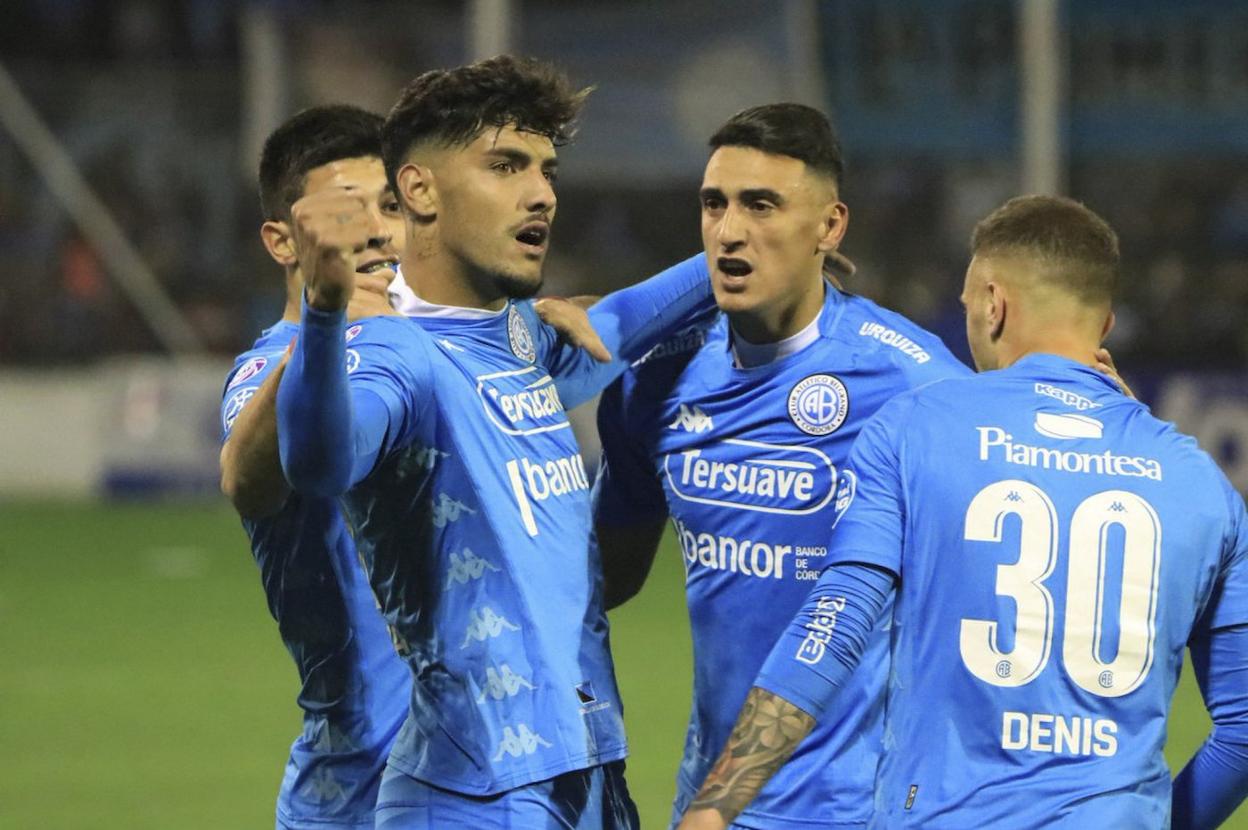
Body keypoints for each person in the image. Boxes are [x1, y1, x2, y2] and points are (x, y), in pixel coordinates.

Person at [678, 195, 1248, 830]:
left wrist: (714, 805)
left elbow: (832, 626)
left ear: (994, 304)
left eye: (969, 303)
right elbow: (1245, 733)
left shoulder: (919, 428)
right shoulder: (1201, 483)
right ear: (1105, 324)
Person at [274, 55, 714, 829]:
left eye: (545, 168)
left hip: (586, 771)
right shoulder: (392, 351)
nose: (541, 191)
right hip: (473, 791)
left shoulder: (520, 331)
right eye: (505, 165)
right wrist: (322, 312)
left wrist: (747, 255)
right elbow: (320, 461)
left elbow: (619, 325)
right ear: (418, 190)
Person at [591, 103, 971, 829]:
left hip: (861, 808)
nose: (730, 231)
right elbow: (610, 570)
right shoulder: (656, 378)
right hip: (712, 804)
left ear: (830, 227)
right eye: (715, 204)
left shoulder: (913, 383)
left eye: (762, 205)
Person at [218, 104, 412, 830]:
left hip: (474, 789)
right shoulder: (265, 371)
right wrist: (326, 322)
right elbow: (249, 478)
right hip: (358, 795)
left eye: (388, 205)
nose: (373, 229)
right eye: (341, 211)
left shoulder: (419, 351)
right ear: (282, 239)